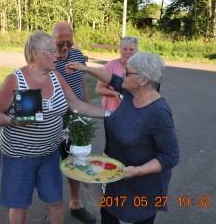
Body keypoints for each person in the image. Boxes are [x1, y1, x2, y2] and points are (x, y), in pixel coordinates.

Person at [0, 31, 104, 224]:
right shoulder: (14, 80)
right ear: (34, 53)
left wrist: (109, 114)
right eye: (52, 51)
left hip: (49, 154)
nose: (58, 55)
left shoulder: (56, 75)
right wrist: (12, 121)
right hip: (19, 156)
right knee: (19, 206)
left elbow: (76, 104)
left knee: (56, 203)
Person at [66, 52, 180, 224]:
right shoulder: (131, 92)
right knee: (108, 216)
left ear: (143, 80)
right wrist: (84, 68)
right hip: (116, 175)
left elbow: (171, 156)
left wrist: (137, 170)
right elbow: (111, 78)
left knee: (140, 219)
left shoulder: (158, 112)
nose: (122, 75)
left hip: (142, 184)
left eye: (127, 72)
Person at [52, 22, 95, 224]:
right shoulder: (47, 57)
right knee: (51, 164)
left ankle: (76, 203)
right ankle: (54, 208)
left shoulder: (78, 55)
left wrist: (85, 110)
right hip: (54, 118)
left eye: (69, 40)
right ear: (52, 39)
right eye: (61, 40)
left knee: (76, 160)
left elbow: (82, 82)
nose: (65, 45)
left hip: (76, 116)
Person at [95, 36, 138, 154]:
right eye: (125, 49)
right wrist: (114, 93)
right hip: (112, 112)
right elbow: (98, 89)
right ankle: (108, 166)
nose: (128, 52)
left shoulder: (140, 67)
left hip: (133, 112)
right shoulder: (110, 66)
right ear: (120, 49)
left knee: (129, 143)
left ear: (137, 50)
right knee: (112, 145)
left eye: (131, 49)